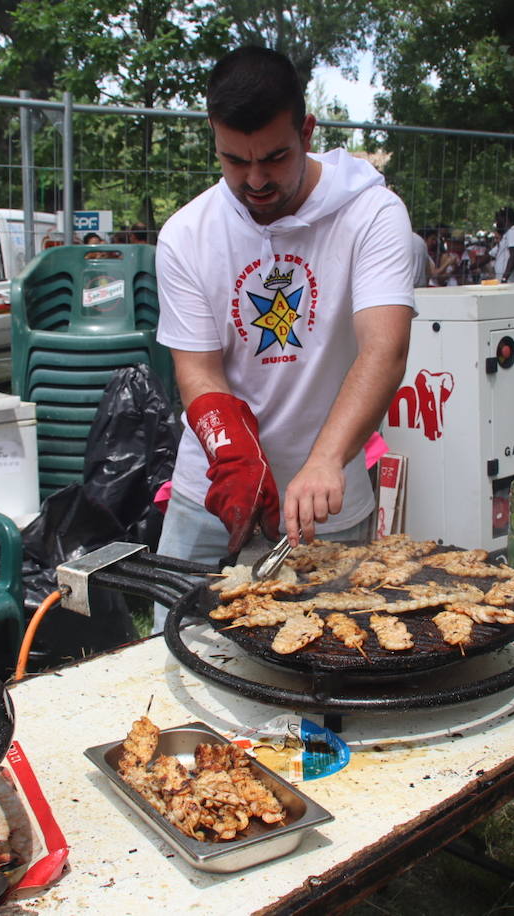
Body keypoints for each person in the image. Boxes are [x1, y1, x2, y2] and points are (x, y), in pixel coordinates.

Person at [153, 47, 416, 626]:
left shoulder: (371, 214)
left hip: (326, 501)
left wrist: (325, 460)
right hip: (212, 493)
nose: (255, 180)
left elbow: (385, 348)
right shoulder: (186, 235)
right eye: (234, 161)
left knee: (329, 655)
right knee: (173, 653)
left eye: (274, 158)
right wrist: (234, 459)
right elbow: (197, 370)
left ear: (307, 130)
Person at [490, 207, 514, 283]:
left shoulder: (513, 231)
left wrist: (504, 278)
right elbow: (490, 256)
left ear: (505, 218)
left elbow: (513, 256)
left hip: (510, 282)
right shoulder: (506, 236)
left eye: (498, 219)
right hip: (504, 282)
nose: (496, 223)